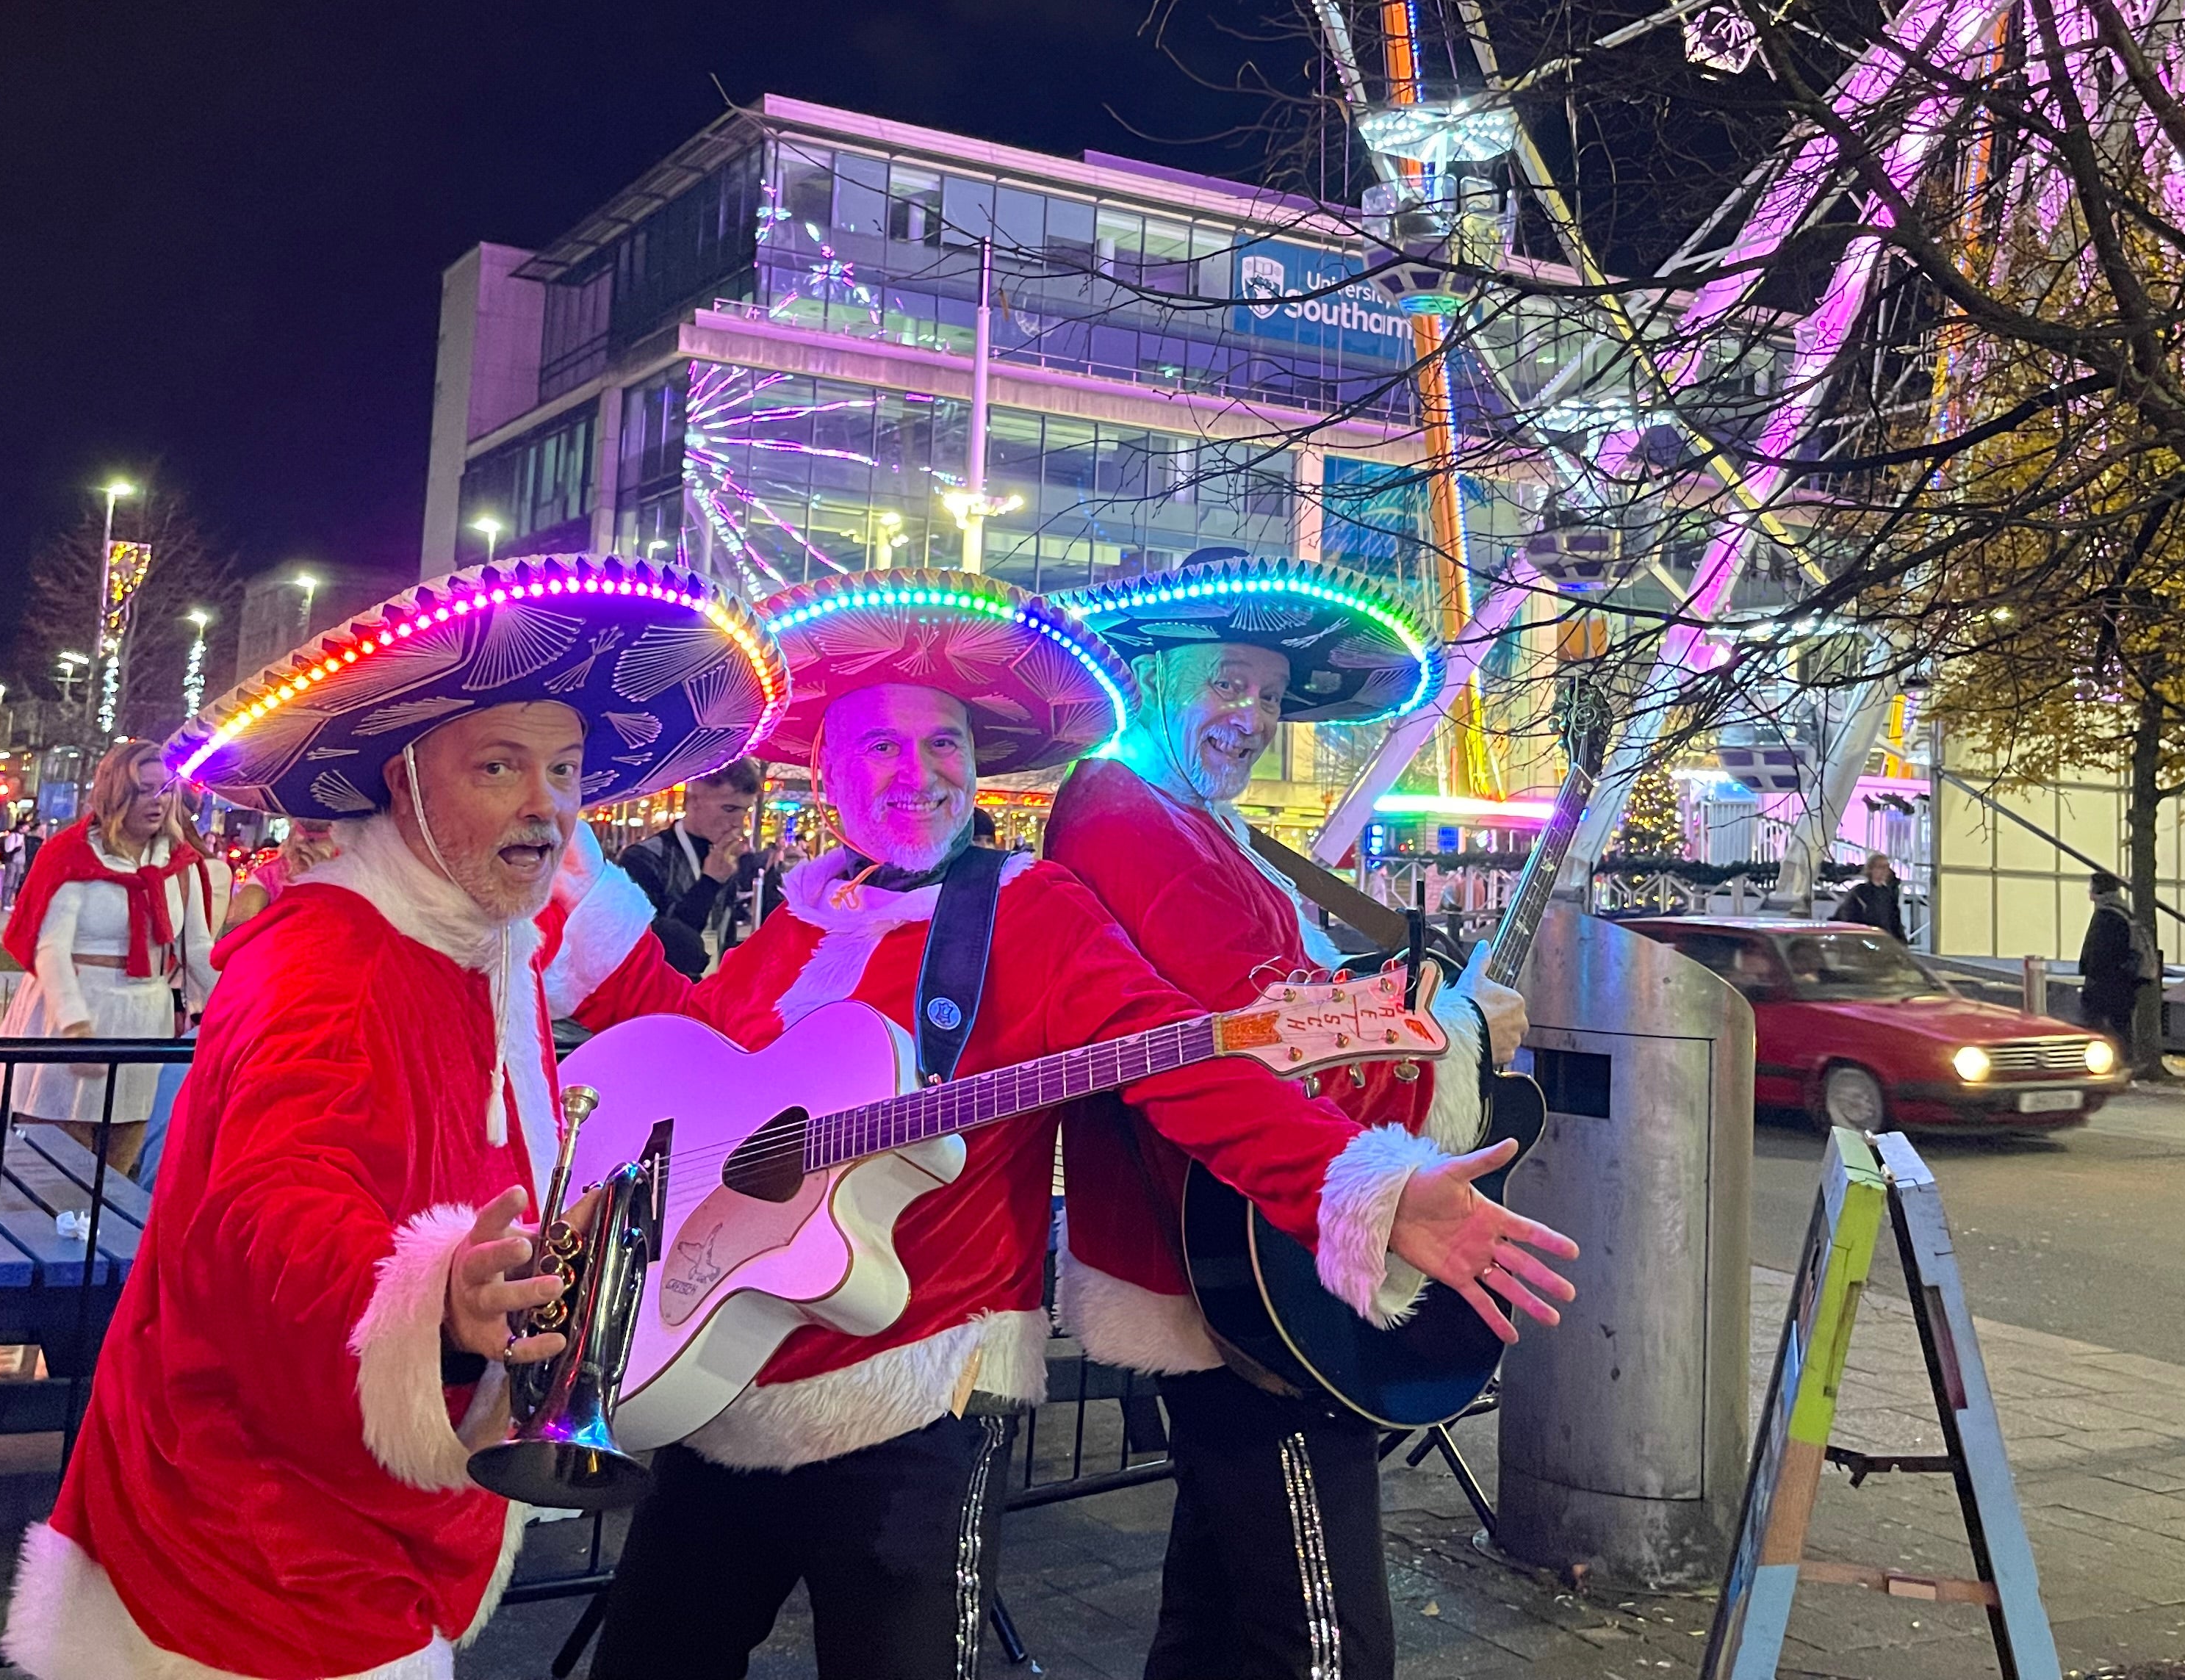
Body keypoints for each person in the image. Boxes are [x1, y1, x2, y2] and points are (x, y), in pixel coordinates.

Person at [558, 568, 1575, 1680]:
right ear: (828, 773)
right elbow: (692, 1061)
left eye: (944, 744)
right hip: (722, 1374)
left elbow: (1187, 1063)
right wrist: (583, 907)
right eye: (883, 749)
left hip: (912, 1396)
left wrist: (1360, 1181)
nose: (921, 774)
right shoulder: (799, 925)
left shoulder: (1029, 911)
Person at [3, 552, 777, 1680]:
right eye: (501, 766)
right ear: (404, 782)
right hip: (260, 1545)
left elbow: (659, 1017)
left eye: (563, 770)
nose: (547, 804)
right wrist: (432, 1292)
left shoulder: (478, 943)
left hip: (362, 1513)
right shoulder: (331, 960)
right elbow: (270, 1203)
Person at [1047, 552, 1534, 1680]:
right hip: (1246, 1253)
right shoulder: (1129, 816)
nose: (1252, 717)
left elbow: (1278, 986)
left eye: (1268, 695)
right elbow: (1259, 1027)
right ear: (1154, 675)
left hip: (1239, 1251)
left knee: (1218, 1611)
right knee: (1323, 1640)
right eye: (1227, 682)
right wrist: (1456, 1032)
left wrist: (1414, 998)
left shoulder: (1182, 819)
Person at [0, 741, 223, 1175]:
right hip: (75, 1014)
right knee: (55, 1171)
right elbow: (51, 949)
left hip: (142, 1017)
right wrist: (75, 1026)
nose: (158, 802)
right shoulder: (71, 855)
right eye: (143, 790)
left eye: (165, 790)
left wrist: (240, 1012)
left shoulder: (181, 865)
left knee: (115, 1174)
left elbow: (197, 951)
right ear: (116, 793)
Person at [617, 757, 766, 974]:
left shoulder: (725, 857)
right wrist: (709, 883)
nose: (738, 822)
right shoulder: (644, 858)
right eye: (729, 808)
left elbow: (725, 933)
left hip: (711, 994)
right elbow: (661, 947)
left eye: (745, 811)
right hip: (661, 995)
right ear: (695, 798)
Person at [2078, 870, 2149, 1050]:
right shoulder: (2124, 912)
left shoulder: (2107, 916)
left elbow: (2100, 954)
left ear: (2098, 891)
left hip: (2108, 984)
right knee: (2122, 1026)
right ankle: (2125, 1060)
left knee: (2101, 1029)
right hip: (2125, 982)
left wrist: (2091, 976)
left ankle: (2116, 1063)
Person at [1834, 848, 1907, 942]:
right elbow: (1848, 917)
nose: (1885, 871)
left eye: (1887, 867)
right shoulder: (1859, 892)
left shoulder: (1888, 895)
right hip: (1864, 941)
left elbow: (1895, 921)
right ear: (1871, 869)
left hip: (1884, 941)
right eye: (1881, 867)